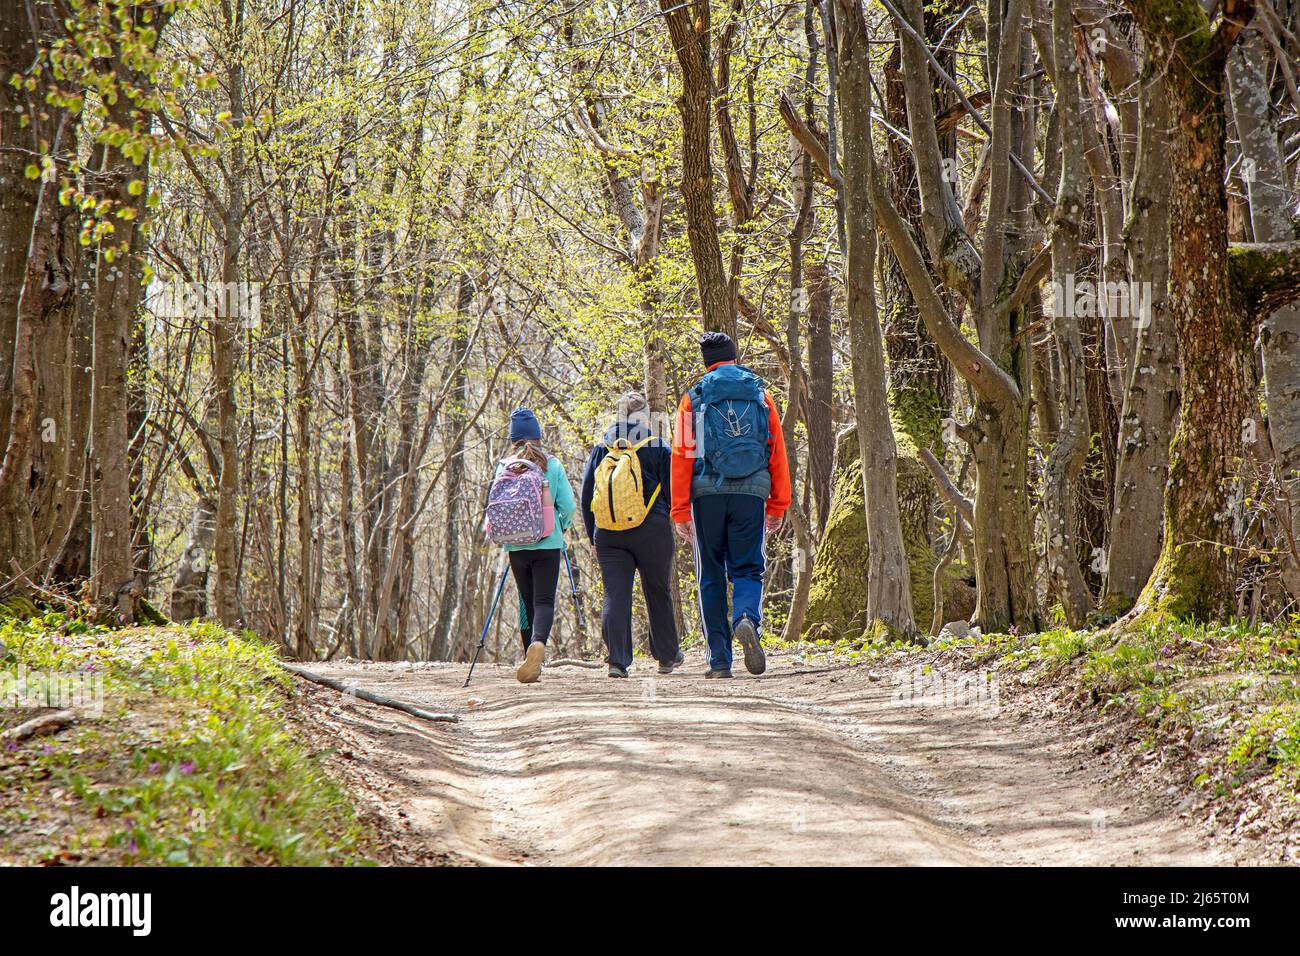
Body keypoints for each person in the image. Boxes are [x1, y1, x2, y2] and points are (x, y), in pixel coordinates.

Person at [671, 332, 790, 678]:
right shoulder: (760, 395)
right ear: (734, 357)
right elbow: (776, 452)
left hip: (706, 496)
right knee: (749, 568)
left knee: (710, 575)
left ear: (706, 362)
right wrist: (778, 504)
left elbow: (681, 456)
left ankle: (720, 662)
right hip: (751, 494)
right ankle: (745, 618)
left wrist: (680, 510)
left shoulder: (693, 398)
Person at [580, 392, 683, 679]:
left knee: (615, 593)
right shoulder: (657, 444)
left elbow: (587, 493)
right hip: (652, 530)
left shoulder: (603, 446)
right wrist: (678, 521)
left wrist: (593, 535)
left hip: (609, 533)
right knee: (657, 590)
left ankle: (617, 661)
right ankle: (666, 656)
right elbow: (673, 491)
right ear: (645, 416)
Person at [496, 407, 576, 684]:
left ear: (512, 438)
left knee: (526, 600)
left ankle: (528, 651)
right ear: (538, 435)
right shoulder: (551, 465)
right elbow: (568, 505)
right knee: (544, 600)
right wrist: (559, 526)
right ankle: (538, 644)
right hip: (548, 542)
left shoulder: (504, 466)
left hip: (515, 546)